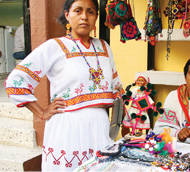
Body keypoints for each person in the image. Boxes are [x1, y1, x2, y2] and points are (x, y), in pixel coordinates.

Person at [5, 0, 123, 171]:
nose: (84, 17)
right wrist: (42, 112)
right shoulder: (54, 47)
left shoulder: (104, 47)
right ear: (67, 15)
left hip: (99, 126)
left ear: (96, 17)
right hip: (68, 127)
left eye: (90, 12)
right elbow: (16, 80)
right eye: (78, 11)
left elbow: (116, 86)